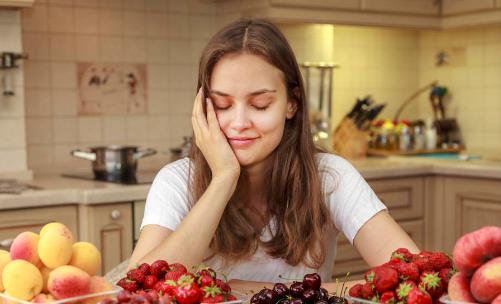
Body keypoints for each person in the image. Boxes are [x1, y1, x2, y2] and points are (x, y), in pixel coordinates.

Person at [129, 18, 419, 284]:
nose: (239, 123)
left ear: (291, 103)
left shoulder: (330, 176)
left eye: (260, 105)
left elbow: (412, 277)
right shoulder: (177, 181)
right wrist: (223, 179)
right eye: (222, 106)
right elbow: (143, 290)